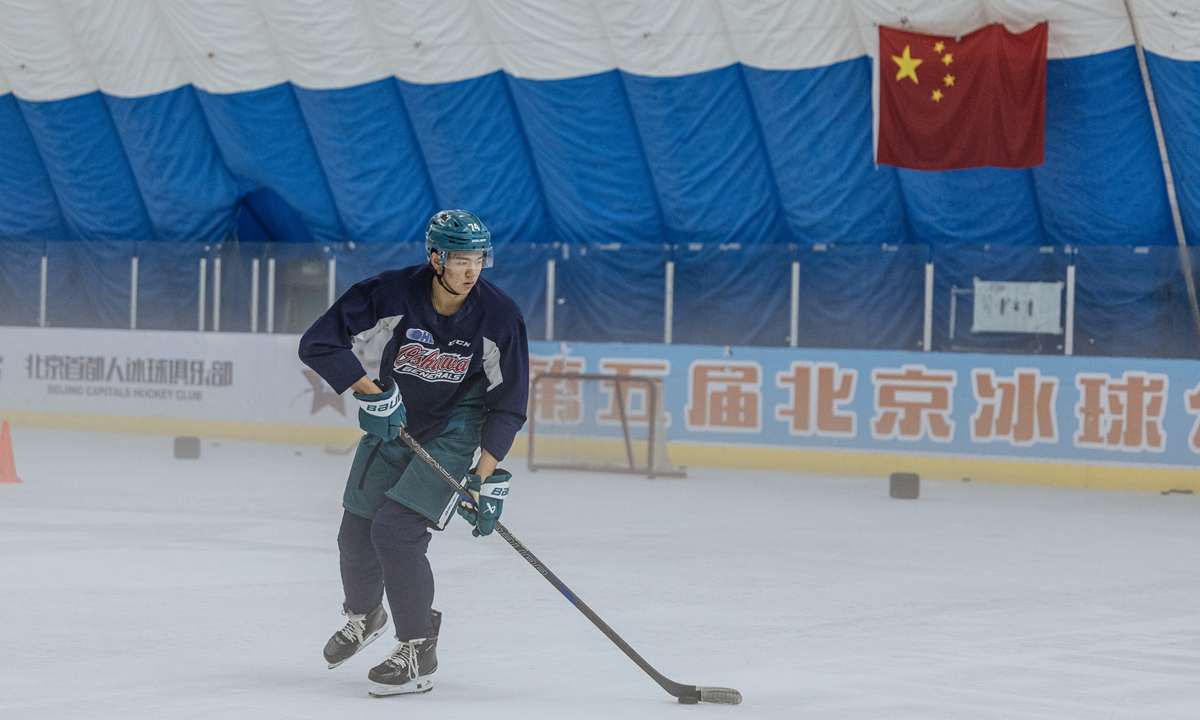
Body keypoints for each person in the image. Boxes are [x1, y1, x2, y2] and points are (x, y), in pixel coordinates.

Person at [298, 209, 529, 697]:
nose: (472, 269)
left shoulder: (500, 316)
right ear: (435, 257)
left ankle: (418, 649)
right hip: (397, 418)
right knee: (355, 532)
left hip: (455, 427)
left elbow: (508, 404)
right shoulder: (392, 292)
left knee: (396, 532)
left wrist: (484, 477)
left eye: (479, 259)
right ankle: (366, 616)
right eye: (461, 258)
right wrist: (370, 392)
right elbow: (319, 342)